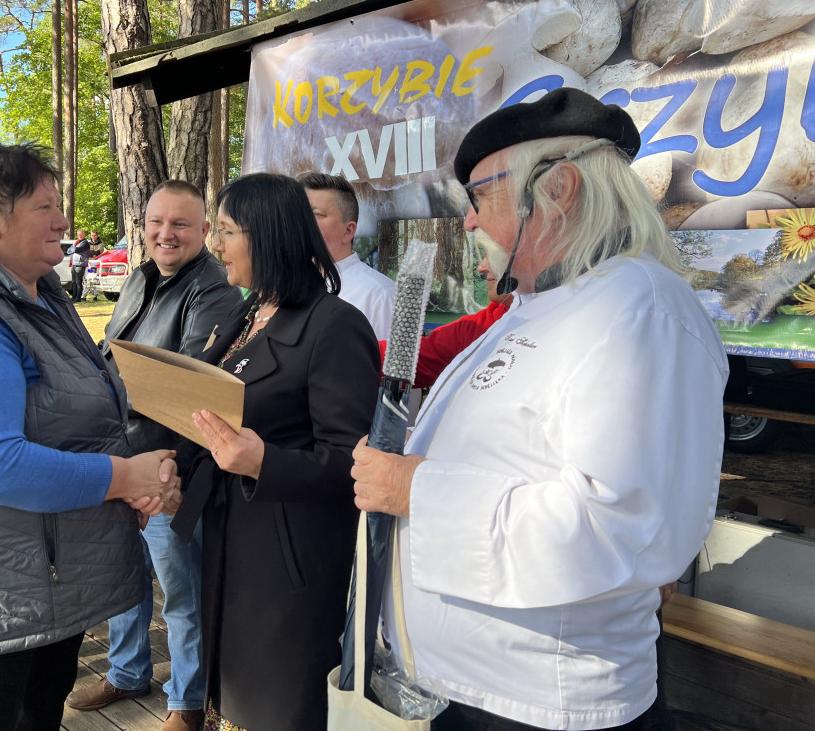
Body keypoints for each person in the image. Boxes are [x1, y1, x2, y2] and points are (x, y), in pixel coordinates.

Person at [350, 88, 729, 731]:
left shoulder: (639, 311)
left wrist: (418, 488)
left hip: (544, 706)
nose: (468, 221)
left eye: (480, 197)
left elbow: (625, 523)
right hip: (472, 692)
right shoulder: (538, 305)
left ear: (557, 189)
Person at [0, 139, 181, 731]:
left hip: (49, 583)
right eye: (44, 207)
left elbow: (79, 422)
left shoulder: (41, 296)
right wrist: (125, 477)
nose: (63, 220)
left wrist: (141, 480)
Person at [170, 172, 380, 731]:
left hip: (289, 566)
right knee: (231, 696)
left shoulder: (335, 326)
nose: (216, 244)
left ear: (269, 235)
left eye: (228, 230)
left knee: (276, 705)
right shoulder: (247, 313)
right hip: (229, 540)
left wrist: (266, 462)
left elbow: (351, 462)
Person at [66, 181, 242, 731]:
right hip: (124, 457)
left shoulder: (213, 290)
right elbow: (111, 356)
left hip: (173, 466)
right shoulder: (140, 279)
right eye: (155, 222)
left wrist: (168, 472)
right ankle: (126, 671)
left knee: (181, 592)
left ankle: (187, 703)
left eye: (181, 224)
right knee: (125, 577)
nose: (165, 234)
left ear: (205, 231)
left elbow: (188, 390)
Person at [379, 256, 512, 388]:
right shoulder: (482, 325)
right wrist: (361, 347)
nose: (481, 268)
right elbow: (416, 358)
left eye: (494, 255)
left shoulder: (489, 325)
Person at [299, 171, 396, 341]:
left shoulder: (380, 295)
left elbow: (385, 366)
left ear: (348, 230)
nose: (301, 223)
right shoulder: (288, 288)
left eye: (315, 215)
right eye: (298, 214)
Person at [70, 229, 90, 302]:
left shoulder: (85, 243)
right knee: (74, 282)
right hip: (74, 264)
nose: (79, 236)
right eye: (78, 235)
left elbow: (77, 250)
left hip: (80, 264)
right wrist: (73, 249)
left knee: (78, 282)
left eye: (81, 234)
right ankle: (73, 297)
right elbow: (69, 250)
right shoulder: (76, 242)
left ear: (84, 235)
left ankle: (78, 298)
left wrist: (73, 249)